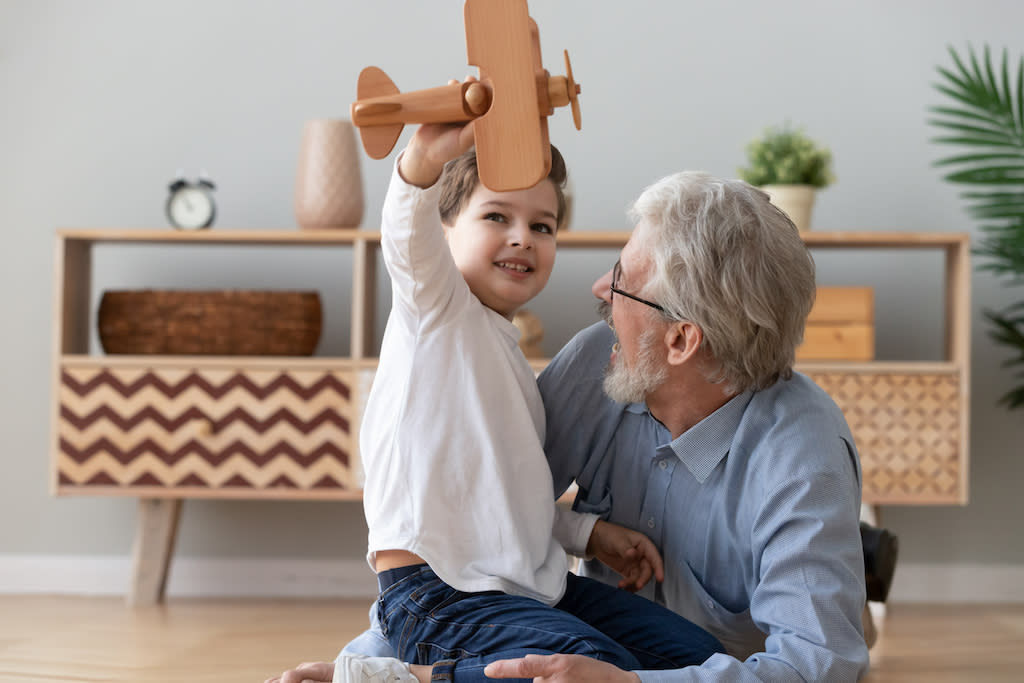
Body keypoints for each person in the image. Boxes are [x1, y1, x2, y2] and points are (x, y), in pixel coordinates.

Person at [269, 120, 724, 683]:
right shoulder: (434, 309)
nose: (522, 237)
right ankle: (400, 678)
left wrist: (588, 535)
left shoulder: (508, 357)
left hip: (530, 589)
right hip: (439, 593)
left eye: (542, 225)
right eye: (496, 217)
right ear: (444, 228)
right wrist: (422, 160)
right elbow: (405, 232)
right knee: (598, 669)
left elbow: (502, 502)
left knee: (703, 660)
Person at [484, 171, 871, 681]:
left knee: (838, 622)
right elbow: (485, 512)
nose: (600, 288)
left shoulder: (803, 460)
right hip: (602, 638)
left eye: (622, 280)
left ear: (682, 341)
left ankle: (848, 565)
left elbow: (817, 667)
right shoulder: (596, 360)